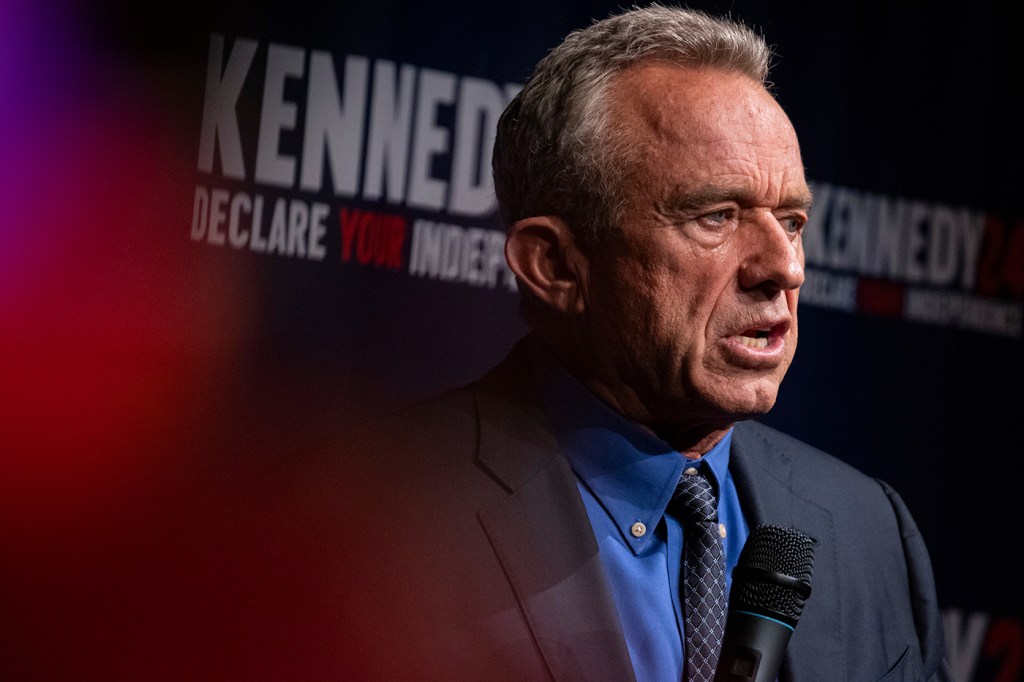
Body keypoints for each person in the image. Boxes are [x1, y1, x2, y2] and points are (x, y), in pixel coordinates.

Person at [335, 6, 953, 681]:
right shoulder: (365, 522)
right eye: (716, 216)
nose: (786, 268)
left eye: (791, 220)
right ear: (556, 266)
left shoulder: (867, 529)